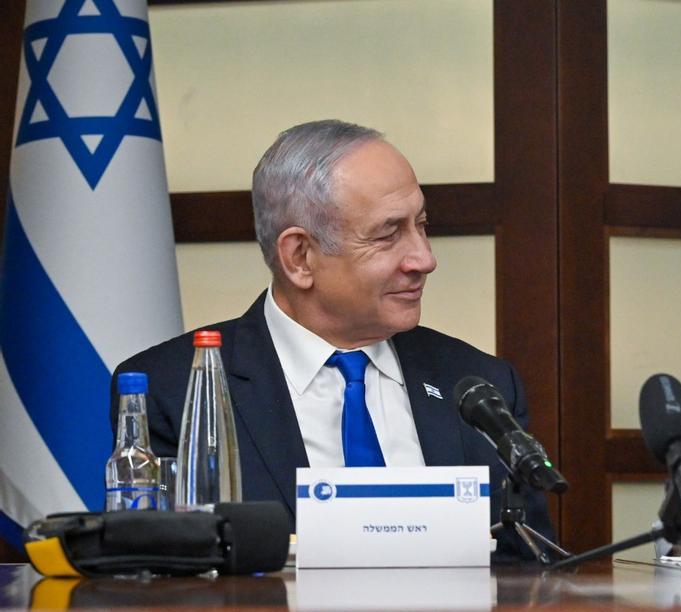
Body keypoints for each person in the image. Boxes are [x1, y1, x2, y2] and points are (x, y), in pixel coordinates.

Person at [112, 120, 554, 561]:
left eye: (422, 225)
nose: (424, 259)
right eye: (388, 235)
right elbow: (167, 575)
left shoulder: (479, 385)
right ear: (300, 257)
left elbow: (534, 570)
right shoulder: (174, 391)